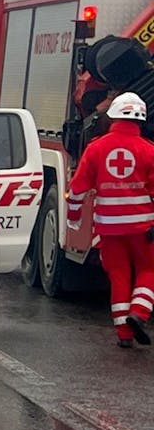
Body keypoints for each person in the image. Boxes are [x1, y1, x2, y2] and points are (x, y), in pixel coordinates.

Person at [67, 92, 154, 347]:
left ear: (112, 116)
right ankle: (139, 313)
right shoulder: (149, 150)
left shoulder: (96, 148)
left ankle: (124, 335)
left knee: (118, 274)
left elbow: (77, 190)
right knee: (149, 270)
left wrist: (73, 218)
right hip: (142, 227)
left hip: (108, 226)